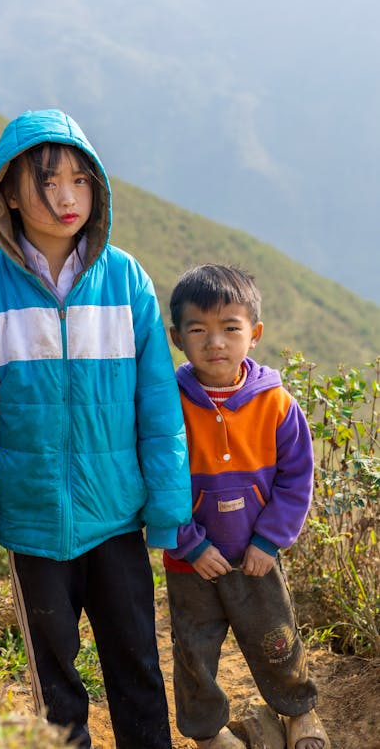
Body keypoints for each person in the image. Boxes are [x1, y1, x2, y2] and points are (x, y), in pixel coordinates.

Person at [0, 108, 192, 749]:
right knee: (54, 681)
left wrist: (167, 507)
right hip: (33, 520)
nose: (66, 197)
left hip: (115, 515)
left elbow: (158, 406)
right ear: (9, 194)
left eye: (79, 180)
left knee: (136, 664)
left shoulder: (126, 280)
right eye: (47, 182)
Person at [164, 265, 330, 749]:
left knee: (276, 639)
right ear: (177, 337)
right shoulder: (169, 404)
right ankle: (208, 732)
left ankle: (298, 712)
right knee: (194, 651)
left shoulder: (276, 404)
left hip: (256, 558)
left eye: (230, 328)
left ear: (253, 334)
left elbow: (297, 477)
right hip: (190, 562)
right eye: (198, 330)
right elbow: (157, 477)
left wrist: (269, 540)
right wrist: (189, 544)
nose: (215, 342)